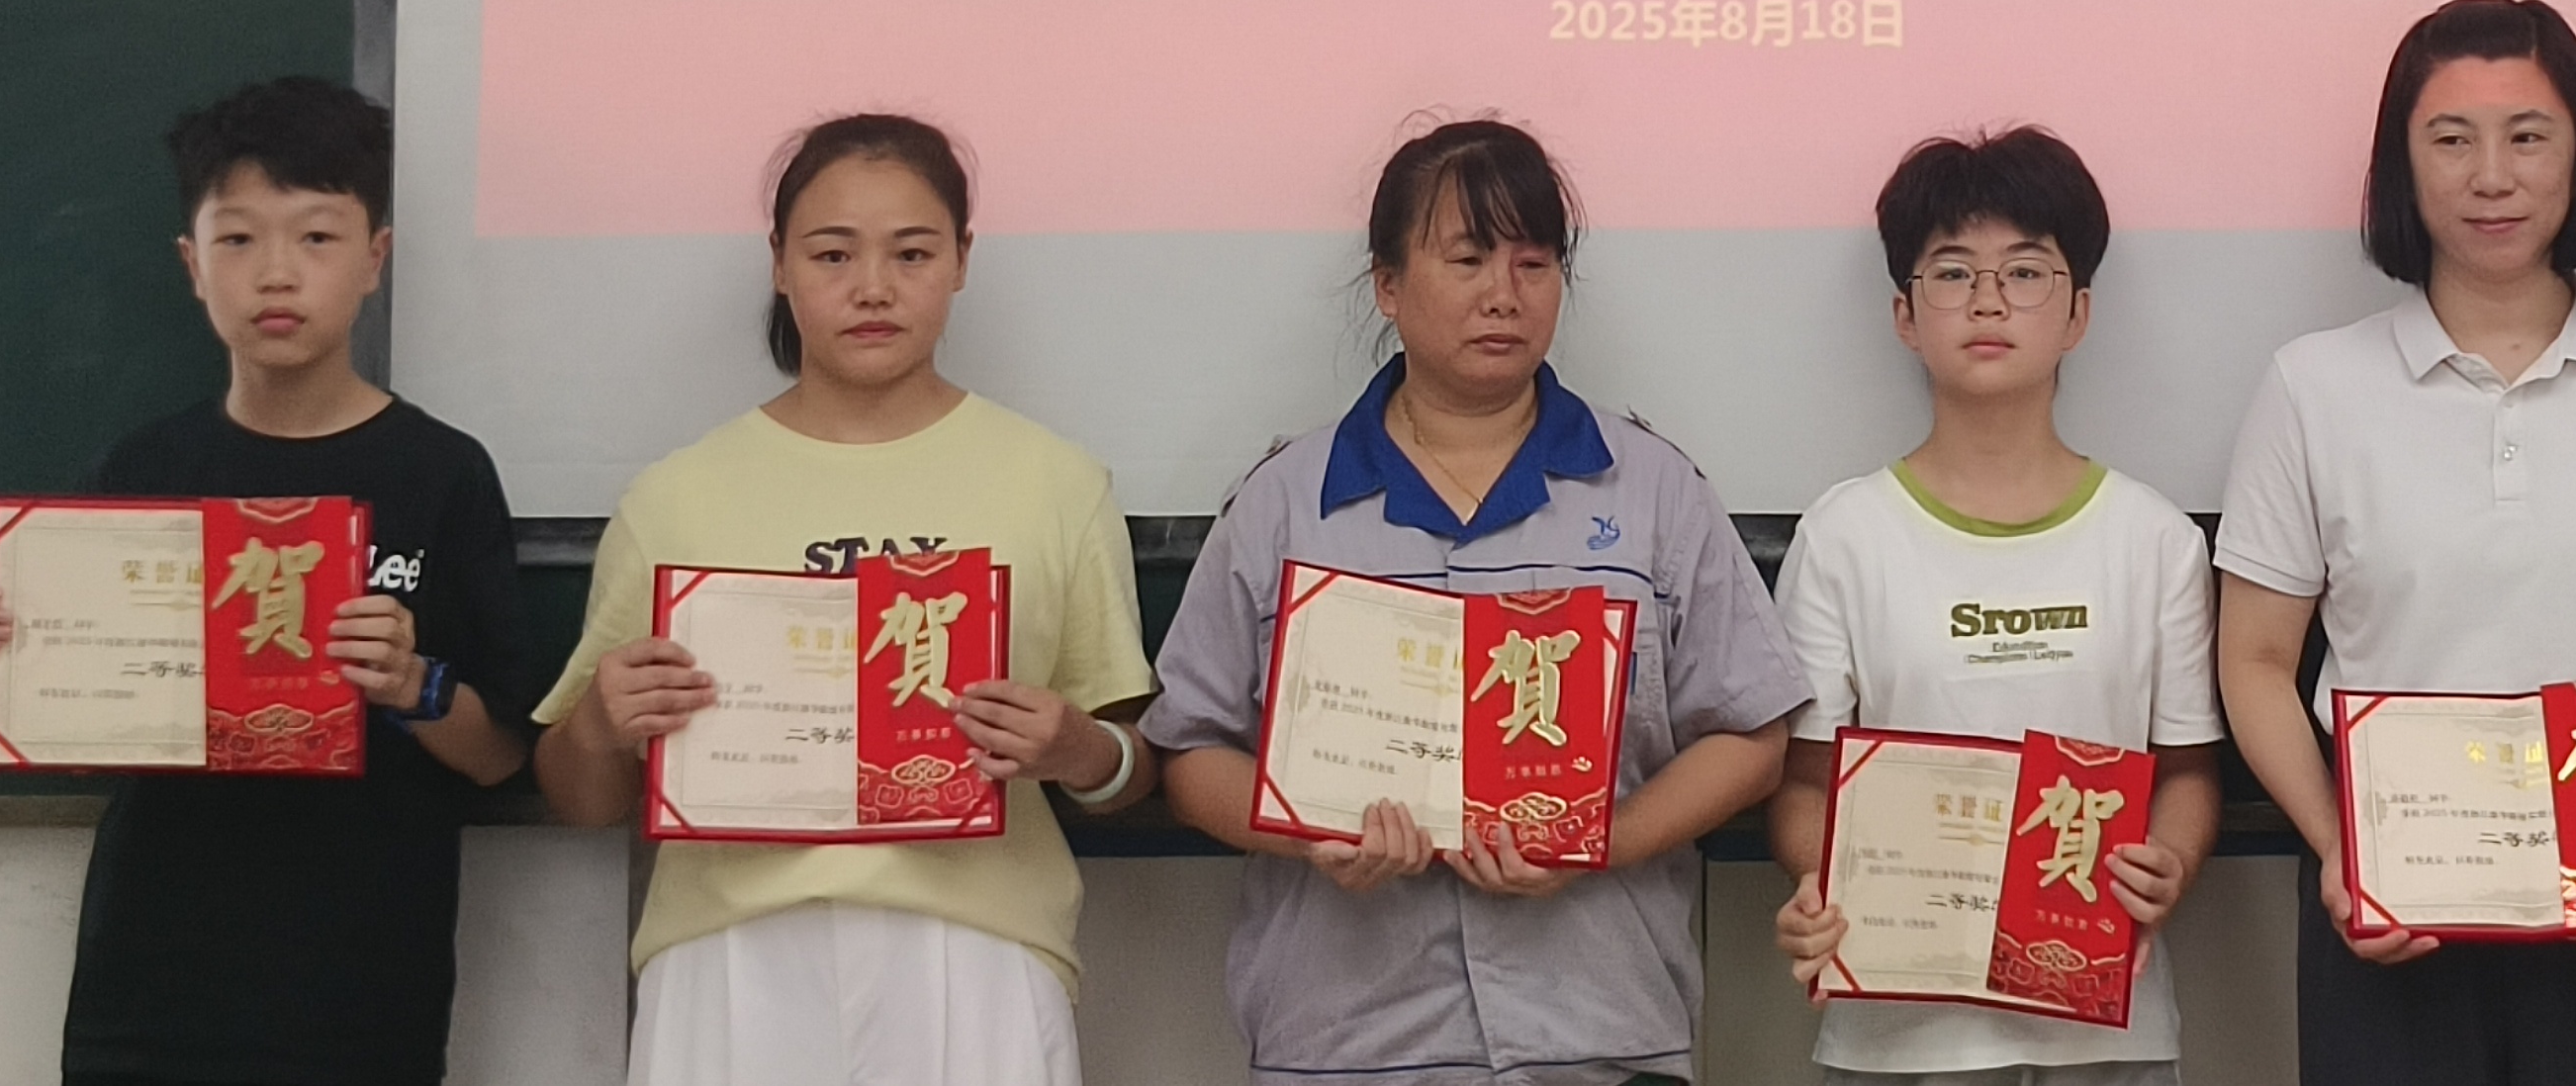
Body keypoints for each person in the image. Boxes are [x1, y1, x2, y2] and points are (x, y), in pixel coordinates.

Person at [1142, 118, 1810, 1086]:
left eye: (1534, 264)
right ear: (1387, 283)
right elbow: (1190, 749)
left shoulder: (1651, 489)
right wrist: (1306, 830)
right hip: (1349, 1036)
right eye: (1466, 259)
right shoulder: (1285, 501)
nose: (1504, 293)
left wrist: (1601, 843)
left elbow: (1750, 734)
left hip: (1598, 1027)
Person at [2213, 0, 2576, 1086]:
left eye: (2528, 136)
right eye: (2450, 140)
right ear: (2401, 167)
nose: (2491, 176)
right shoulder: (2312, 386)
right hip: (2391, 908)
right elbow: (2252, 657)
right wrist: (2338, 847)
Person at [529, 114, 1156, 1086]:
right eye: (832, 253)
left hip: (974, 952)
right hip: (728, 956)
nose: (872, 287)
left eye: (912, 252)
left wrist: (1078, 749)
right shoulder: (676, 498)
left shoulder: (1054, 484)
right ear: (779, 264)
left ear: (961, 260)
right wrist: (602, 727)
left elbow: (1131, 768)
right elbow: (579, 797)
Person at [0, 77, 534, 1086]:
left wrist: (412, 685)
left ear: (374, 258)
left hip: (362, 994)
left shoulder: (441, 471)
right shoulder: (144, 469)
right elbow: (86, 737)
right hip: (149, 990)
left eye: (316, 237)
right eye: (237, 239)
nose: (276, 272)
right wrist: (0, 669)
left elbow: (503, 755)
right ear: (192, 264)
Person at [1769, 127, 2228, 1086]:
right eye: (1951, 273)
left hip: (2107, 1027)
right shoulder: (1844, 534)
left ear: (2077, 313)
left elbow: (2186, 770)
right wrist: (1819, 881)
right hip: (1899, 1033)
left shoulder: (2152, 540)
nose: (1987, 300)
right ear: (1905, 314)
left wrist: (2170, 864)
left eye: (2024, 271)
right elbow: (1805, 783)